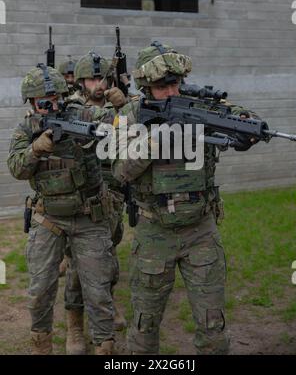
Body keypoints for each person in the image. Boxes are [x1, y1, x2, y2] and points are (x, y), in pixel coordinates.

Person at [111, 43, 258, 355]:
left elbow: (242, 117)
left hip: (200, 230)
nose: (172, 92)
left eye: (176, 83)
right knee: (144, 324)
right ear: (145, 86)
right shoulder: (129, 114)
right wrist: (156, 140)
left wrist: (248, 127)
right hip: (153, 232)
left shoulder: (198, 105)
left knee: (212, 324)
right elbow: (120, 170)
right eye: (163, 86)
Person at [7, 64, 118, 355]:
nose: (50, 105)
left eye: (55, 98)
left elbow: (108, 119)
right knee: (40, 289)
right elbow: (16, 167)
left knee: (98, 291)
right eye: (42, 101)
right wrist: (36, 149)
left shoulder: (79, 114)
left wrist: (115, 111)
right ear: (31, 102)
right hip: (48, 218)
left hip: (88, 217)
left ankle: (104, 349)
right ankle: (41, 347)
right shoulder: (26, 128)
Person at [63, 52, 128, 354]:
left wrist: (125, 106)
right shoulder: (74, 107)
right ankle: (75, 326)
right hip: (83, 200)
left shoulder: (123, 104)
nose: (98, 85)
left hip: (113, 195)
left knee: (108, 262)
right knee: (77, 266)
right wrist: (124, 108)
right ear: (81, 81)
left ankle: (105, 306)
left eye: (103, 79)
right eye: (91, 79)